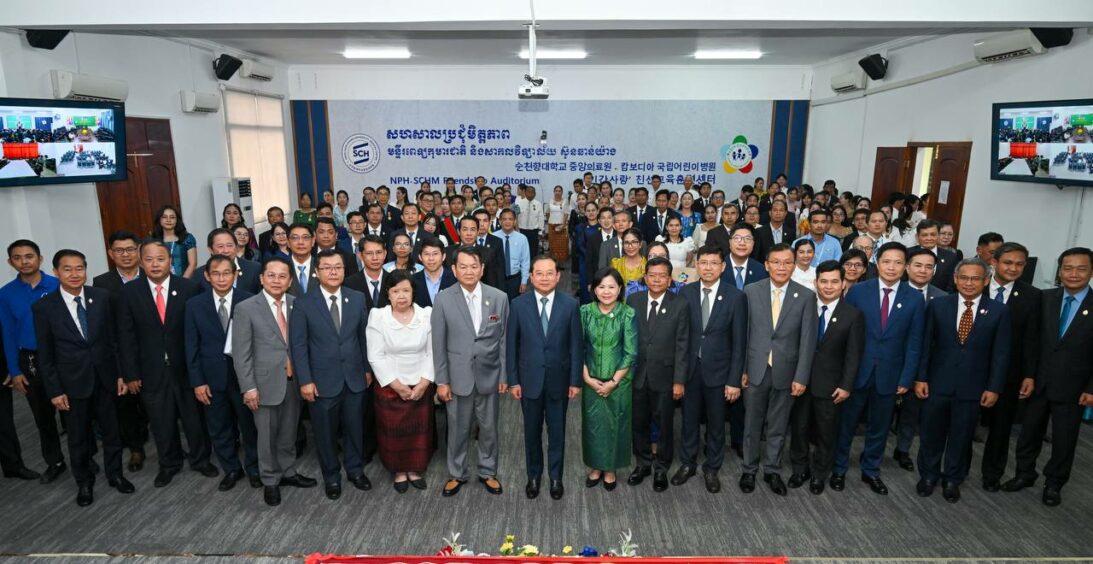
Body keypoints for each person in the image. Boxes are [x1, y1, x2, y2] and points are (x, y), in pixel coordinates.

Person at [33, 249, 134, 506]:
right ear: (56, 272)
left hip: (106, 378)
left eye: (79, 268)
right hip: (71, 383)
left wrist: (121, 374)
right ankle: (84, 483)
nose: (75, 274)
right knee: (78, 437)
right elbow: (46, 354)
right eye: (67, 269)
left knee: (112, 432)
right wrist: (55, 390)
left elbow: (114, 340)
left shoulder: (101, 297)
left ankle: (115, 475)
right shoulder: (44, 307)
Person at [118, 240, 216, 487]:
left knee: (194, 418)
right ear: (141, 262)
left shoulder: (189, 288)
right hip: (150, 370)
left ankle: (201, 459)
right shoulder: (130, 292)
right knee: (161, 421)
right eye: (149, 259)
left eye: (160, 259)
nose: (155, 264)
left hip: (186, 368)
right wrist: (130, 373)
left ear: (170, 261)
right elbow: (126, 336)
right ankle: (169, 464)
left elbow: (200, 332)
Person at [1002, 247, 1093, 507]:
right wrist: (1029, 375)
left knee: (1064, 439)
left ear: (1091, 272)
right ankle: (1024, 473)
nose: (1073, 274)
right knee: (1028, 432)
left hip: (1075, 386)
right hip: (1038, 381)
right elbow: (1032, 340)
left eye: (1081, 269)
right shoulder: (1044, 298)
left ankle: (1054, 483)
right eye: (1067, 268)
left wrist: (1091, 388)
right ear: (1059, 271)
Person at [833, 242, 925, 495]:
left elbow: (914, 342)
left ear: (905, 267)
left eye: (898, 262)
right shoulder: (858, 292)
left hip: (890, 374)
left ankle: (871, 470)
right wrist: (842, 374)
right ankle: (838, 468)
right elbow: (844, 334)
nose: (891, 267)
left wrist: (906, 378)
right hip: (856, 372)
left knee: (880, 427)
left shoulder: (914, 298)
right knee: (846, 424)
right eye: (886, 261)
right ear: (877, 262)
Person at [914, 258, 1010, 503]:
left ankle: (952, 479)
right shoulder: (938, 305)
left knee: (962, 435)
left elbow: (1000, 354)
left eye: (975, 278)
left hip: (973, 386)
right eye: (964, 277)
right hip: (937, 382)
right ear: (955, 279)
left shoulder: (999, 311)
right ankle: (928, 476)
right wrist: (921, 377)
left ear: (985, 281)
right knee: (931, 433)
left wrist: (994, 387)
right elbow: (925, 345)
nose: (969, 283)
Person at [231, 258, 317, 507]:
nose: (276, 281)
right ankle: (269, 480)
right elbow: (241, 353)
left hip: (294, 381)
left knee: (289, 432)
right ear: (261, 279)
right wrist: (249, 387)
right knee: (266, 436)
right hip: (262, 384)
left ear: (290, 281)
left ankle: (288, 471)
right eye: (271, 275)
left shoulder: (296, 304)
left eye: (282, 276)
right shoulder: (246, 308)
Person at [288, 249, 372, 500]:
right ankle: (332, 476)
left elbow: (363, 338)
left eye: (338, 267)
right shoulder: (303, 303)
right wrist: (305, 380)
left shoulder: (356, 298)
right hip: (321, 381)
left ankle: (355, 470)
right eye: (327, 267)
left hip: (355, 377)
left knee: (355, 428)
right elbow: (299, 346)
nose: (333, 272)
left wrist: (367, 369)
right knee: (325, 433)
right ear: (317, 272)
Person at [735, 243, 816, 496]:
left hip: (787, 372)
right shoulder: (751, 291)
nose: (782, 267)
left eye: (787, 262)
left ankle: (772, 470)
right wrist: (742, 370)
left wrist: (801, 376)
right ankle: (749, 470)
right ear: (767, 265)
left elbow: (808, 341)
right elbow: (744, 334)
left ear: (794, 266)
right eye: (776, 262)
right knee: (751, 424)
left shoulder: (806, 296)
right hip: (755, 370)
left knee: (778, 426)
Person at [432, 247, 509, 497]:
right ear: (454, 270)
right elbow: (438, 344)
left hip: (490, 375)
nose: (469, 271)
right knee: (458, 429)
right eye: (463, 267)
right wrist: (442, 381)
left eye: (474, 266)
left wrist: (504, 376)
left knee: (489, 429)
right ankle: (457, 473)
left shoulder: (499, 297)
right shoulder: (443, 299)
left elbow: (503, 341)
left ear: (482, 269)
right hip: (457, 378)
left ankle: (488, 471)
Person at [506, 256, 583, 500]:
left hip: (559, 380)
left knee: (557, 433)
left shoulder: (570, 305)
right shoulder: (518, 305)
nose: (544, 278)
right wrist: (513, 380)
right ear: (531, 276)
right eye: (539, 273)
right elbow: (511, 346)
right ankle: (534, 476)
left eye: (550, 273)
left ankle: (556, 478)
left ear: (558, 276)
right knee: (531, 433)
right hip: (529, 381)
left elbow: (576, 346)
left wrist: (575, 381)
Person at [675, 246, 746, 494]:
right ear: (696, 265)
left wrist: (734, 380)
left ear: (722, 267)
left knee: (716, 424)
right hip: (690, 370)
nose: (708, 268)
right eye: (703, 262)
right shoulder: (685, 292)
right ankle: (687, 463)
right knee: (688, 421)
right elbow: (680, 335)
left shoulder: (735, 296)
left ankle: (712, 467)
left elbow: (739, 343)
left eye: (714, 263)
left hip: (720, 372)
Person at [184, 255, 259, 492]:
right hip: (211, 378)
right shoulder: (195, 305)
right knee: (219, 427)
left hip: (244, 378)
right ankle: (232, 469)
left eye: (227, 273)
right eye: (216, 273)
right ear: (207, 276)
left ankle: (254, 468)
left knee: (250, 426)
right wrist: (197, 381)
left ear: (235, 274)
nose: (221, 278)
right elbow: (191, 346)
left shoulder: (249, 300)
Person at [788, 261, 863, 495]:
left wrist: (846, 385)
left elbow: (853, 355)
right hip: (801, 381)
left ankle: (820, 474)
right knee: (799, 429)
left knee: (826, 433)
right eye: (824, 281)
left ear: (843, 284)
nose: (828, 286)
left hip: (831, 386)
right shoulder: (804, 307)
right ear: (815, 283)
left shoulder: (853, 315)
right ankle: (799, 469)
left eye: (834, 282)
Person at [0, 239, 66, 483]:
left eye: (29, 256)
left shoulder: (58, 284)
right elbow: (7, 334)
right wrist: (14, 370)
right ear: (10, 262)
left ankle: (85, 457)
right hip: (30, 358)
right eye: (17, 258)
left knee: (74, 412)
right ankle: (55, 461)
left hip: (62, 355)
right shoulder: (6, 294)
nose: (24, 261)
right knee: (43, 415)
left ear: (40, 259)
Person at [366, 269, 435, 494]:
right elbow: (375, 356)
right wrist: (397, 386)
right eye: (396, 291)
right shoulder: (378, 316)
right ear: (388, 293)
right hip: (390, 386)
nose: (401, 296)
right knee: (393, 432)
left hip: (420, 384)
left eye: (406, 290)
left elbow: (432, 351)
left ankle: (414, 469)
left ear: (413, 292)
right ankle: (399, 471)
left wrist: (424, 382)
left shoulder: (426, 314)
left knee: (419, 432)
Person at [980, 242, 1041, 492]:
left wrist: (1029, 374)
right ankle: (956, 470)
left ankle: (992, 474)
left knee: (1001, 427)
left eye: (1019, 264)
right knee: (964, 424)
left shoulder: (1033, 296)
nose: (1013, 268)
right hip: (973, 368)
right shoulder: (975, 285)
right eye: (1007, 262)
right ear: (994, 262)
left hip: (1009, 373)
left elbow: (1032, 339)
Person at [625, 257, 690, 492]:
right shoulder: (633, 300)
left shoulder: (680, 304)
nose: (656, 280)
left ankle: (661, 467)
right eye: (652, 275)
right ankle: (643, 463)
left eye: (662, 276)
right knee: (638, 423)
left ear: (669, 279)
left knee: (664, 425)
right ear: (645, 277)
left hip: (665, 376)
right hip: (637, 375)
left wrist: (679, 381)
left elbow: (682, 345)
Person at [92, 231, 150, 472]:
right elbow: (105, 327)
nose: (125, 255)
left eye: (130, 249)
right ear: (111, 253)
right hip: (120, 352)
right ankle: (136, 449)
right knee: (125, 405)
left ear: (138, 251)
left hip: (151, 351)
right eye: (119, 250)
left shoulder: (152, 273)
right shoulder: (102, 283)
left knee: (156, 403)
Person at [581, 267, 636, 491]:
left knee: (616, 427)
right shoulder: (584, 312)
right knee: (593, 426)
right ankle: (595, 466)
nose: (606, 291)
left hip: (619, 383)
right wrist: (587, 378)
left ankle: (611, 468)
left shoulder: (627, 313)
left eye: (611, 287)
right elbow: (578, 347)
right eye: (601, 286)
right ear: (594, 289)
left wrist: (613, 382)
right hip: (590, 380)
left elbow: (631, 352)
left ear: (620, 289)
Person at [893, 247, 948, 470]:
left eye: (928, 267)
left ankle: (902, 449)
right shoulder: (894, 291)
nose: (923, 270)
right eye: (918, 265)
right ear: (907, 267)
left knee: (912, 411)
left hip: (927, 365)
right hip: (895, 360)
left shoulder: (943, 298)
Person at [193, 228, 262, 294]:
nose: (226, 250)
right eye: (220, 246)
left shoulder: (254, 268)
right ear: (211, 250)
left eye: (230, 245)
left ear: (236, 246)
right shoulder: (199, 274)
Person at [909, 219, 959, 293]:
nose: (929, 238)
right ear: (917, 237)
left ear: (938, 235)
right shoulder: (907, 253)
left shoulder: (950, 257)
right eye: (925, 235)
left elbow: (951, 285)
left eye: (933, 235)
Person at [344, 235, 390, 310]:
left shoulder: (393, 281)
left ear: (385, 254)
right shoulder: (349, 284)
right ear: (360, 255)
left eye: (379, 252)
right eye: (369, 253)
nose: (375, 258)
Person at [151, 205, 197, 278]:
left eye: (172, 217)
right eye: (164, 217)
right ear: (159, 220)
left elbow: (193, 264)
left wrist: (182, 282)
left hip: (184, 280)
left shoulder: (187, 238)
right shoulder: (152, 240)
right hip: (160, 280)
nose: (168, 220)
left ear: (177, 220)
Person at [494, 208, 530, 300]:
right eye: (504, 219)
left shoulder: (522, 238)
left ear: (515, 221)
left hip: (515, 279)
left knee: (514, 304)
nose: (507, 222)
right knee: (498, 304)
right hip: (497, 279)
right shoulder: (493, 237)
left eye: (510, 219)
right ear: (500, 221)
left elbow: (525, 262)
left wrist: (524, 281)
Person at [721, 223, 769, 291]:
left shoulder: (761, 270)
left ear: (753, 243)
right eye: (737, 238)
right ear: (730, 242)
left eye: (747, 239)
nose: (742, 243)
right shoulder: (718, 267)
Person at [413, 237, 456, 308]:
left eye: (435, 254)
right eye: (427, 254)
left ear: (443, 256)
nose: (431, 258)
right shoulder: (412, 281)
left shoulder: (455, 279)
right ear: (420, 257)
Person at [515, 185, 544, 257]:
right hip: (522, 231)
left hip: (533, 232)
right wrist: (517, 230)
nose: (530, 194)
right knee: (522, 251)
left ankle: (532, 264)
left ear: (535, 194)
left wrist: (540, 231)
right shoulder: (519, 203)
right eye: (529, 192)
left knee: (533, 252)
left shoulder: (538, 204)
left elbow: (541, 218)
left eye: (532, 192)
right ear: (525, 192)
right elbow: (516, 217)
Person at [546, 185, 570, 264]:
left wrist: (563, 225)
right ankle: (553, 263)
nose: (558, 192)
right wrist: (550, 220)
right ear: (554, 192)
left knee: (562, 246)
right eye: (556, 191)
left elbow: (566, 214)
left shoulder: (565, 201)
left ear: (562, 192)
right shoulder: (550, 201)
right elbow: (547, 213)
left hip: (561, 226)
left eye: (559, 191)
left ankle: (561, 264)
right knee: (553, 245)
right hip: (552, 226)